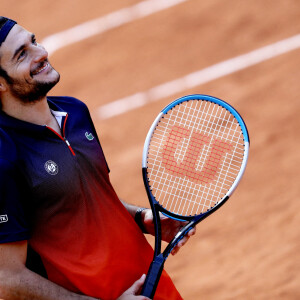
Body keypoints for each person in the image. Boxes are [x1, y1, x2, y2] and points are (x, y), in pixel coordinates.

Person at [0, 17, 195, 300]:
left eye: (34, 41)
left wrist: (142, 219)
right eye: (22, 54)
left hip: (149, 284)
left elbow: (85, 199)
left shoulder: (75, 112)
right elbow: (8, 278)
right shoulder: (5, 158)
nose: (41, 53)